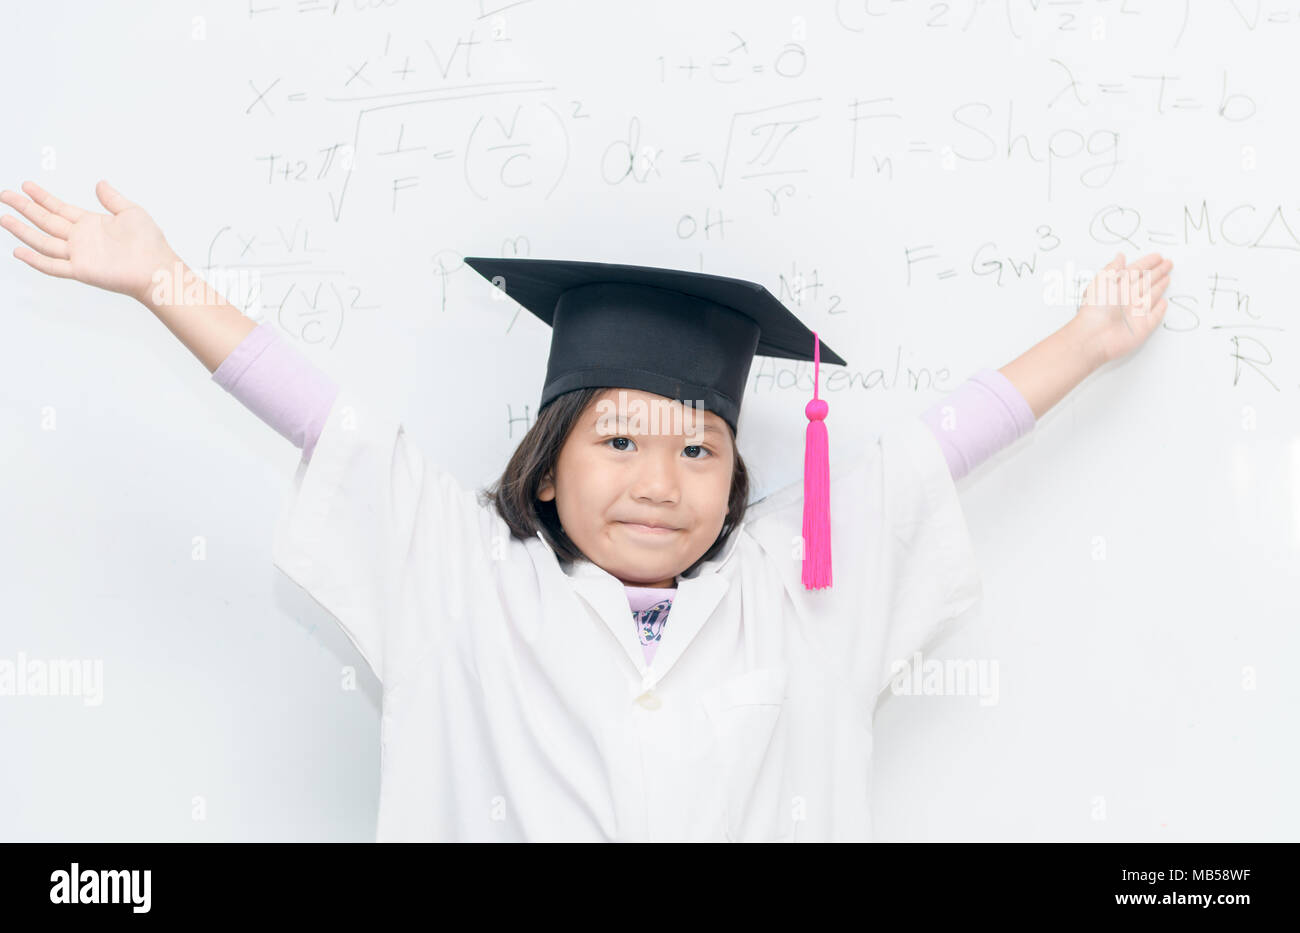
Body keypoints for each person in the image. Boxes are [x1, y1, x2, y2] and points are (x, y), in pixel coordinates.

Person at [1, 179, 1173, 841]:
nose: (661, 482)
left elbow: (934, 454)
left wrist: (1083, 342)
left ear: (737, 480)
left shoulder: (802, 593)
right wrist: (165, 283)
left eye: (699, 450)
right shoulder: (460, 578)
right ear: (547, 467)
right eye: (618, 441)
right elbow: (329, 424)